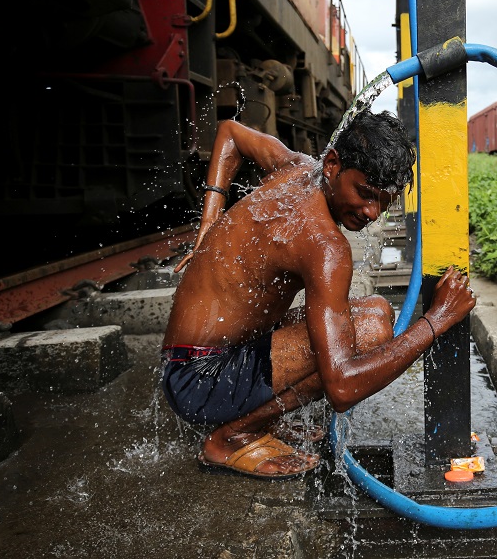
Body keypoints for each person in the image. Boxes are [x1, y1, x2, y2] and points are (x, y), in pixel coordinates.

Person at [161, 110, 476, 480]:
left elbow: (230, 133)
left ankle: (256, 419)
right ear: (332, 165)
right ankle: (230, 437)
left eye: (386, 201)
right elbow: (343, 386)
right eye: (365, 193)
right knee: (372, 333)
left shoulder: (297, 166)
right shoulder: (325, 246)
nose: (372, 212)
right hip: (199, 379)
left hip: (196, 359)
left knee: (375, 312)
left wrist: (210, 219)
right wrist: (436, 321)